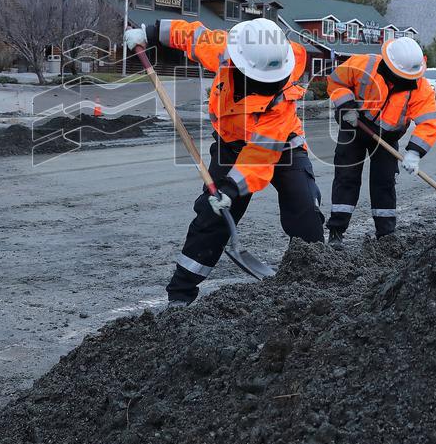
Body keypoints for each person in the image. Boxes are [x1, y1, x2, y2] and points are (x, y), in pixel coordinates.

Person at [123, 18, 324, 305]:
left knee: (305, 208)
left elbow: (259, 157)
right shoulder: (227, 50)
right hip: (230, 145)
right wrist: (148, 31)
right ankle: (180, 296)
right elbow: (191, 35)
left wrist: (230, 188)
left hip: (284, 147)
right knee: (212, 216)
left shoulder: (281, 95)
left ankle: (313, 286)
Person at [325, 37, 436, 248]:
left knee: (384, 183)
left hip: (387, 137)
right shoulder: (363, 64)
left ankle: (386, 236)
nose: (404, 80)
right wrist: (346, 106)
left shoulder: (420, 87)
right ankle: (336, 231)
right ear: (388, 64)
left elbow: (428, 123)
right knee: (346, 177)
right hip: (355, 125)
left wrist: (414, 153)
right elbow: (336, 82)